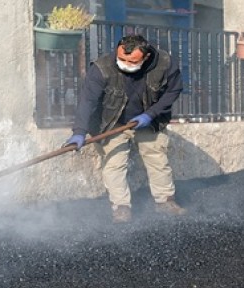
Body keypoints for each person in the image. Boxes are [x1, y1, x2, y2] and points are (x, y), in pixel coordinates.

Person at [66, 34, 185, 223]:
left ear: (145, 58)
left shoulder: (164, 63)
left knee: (157, 158)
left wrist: (151, 114)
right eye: (121, 58)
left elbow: (173, 90)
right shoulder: (101, 68)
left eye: (132, 61)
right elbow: (87, 101)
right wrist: (79, 131)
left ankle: (165, 201)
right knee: (114, 163)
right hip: (110, 122)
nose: (125, 63)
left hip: (149, 120)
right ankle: (121, 207)